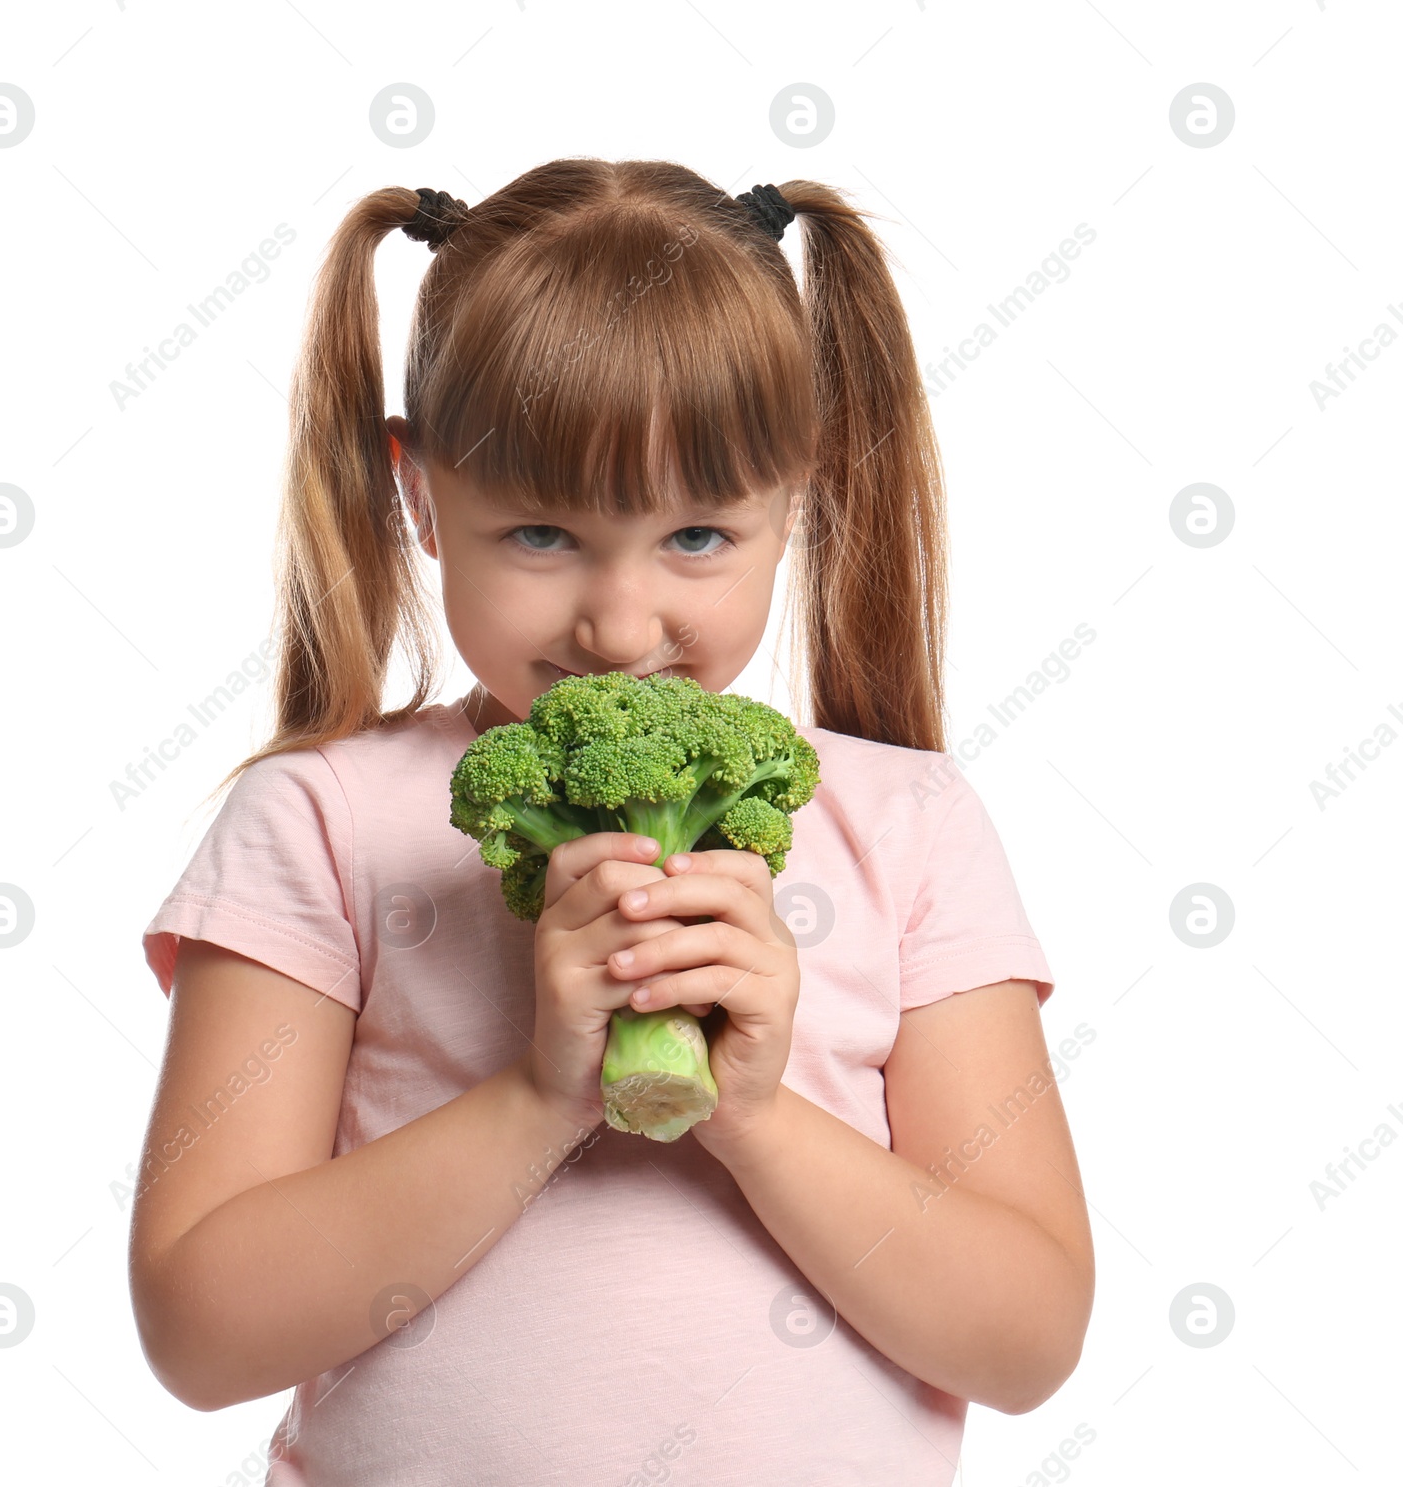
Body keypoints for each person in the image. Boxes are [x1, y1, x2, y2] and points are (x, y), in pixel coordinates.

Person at [128, 159, 1094, 1485]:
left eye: (698, 534)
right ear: (417, 491)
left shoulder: (911, 824)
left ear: (794, 495)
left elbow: (1027, 1335)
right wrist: (539, 1094)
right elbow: (200, 1324)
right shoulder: (324, 821)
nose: (621, 624)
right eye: (539, 532)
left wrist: (751, 1110)